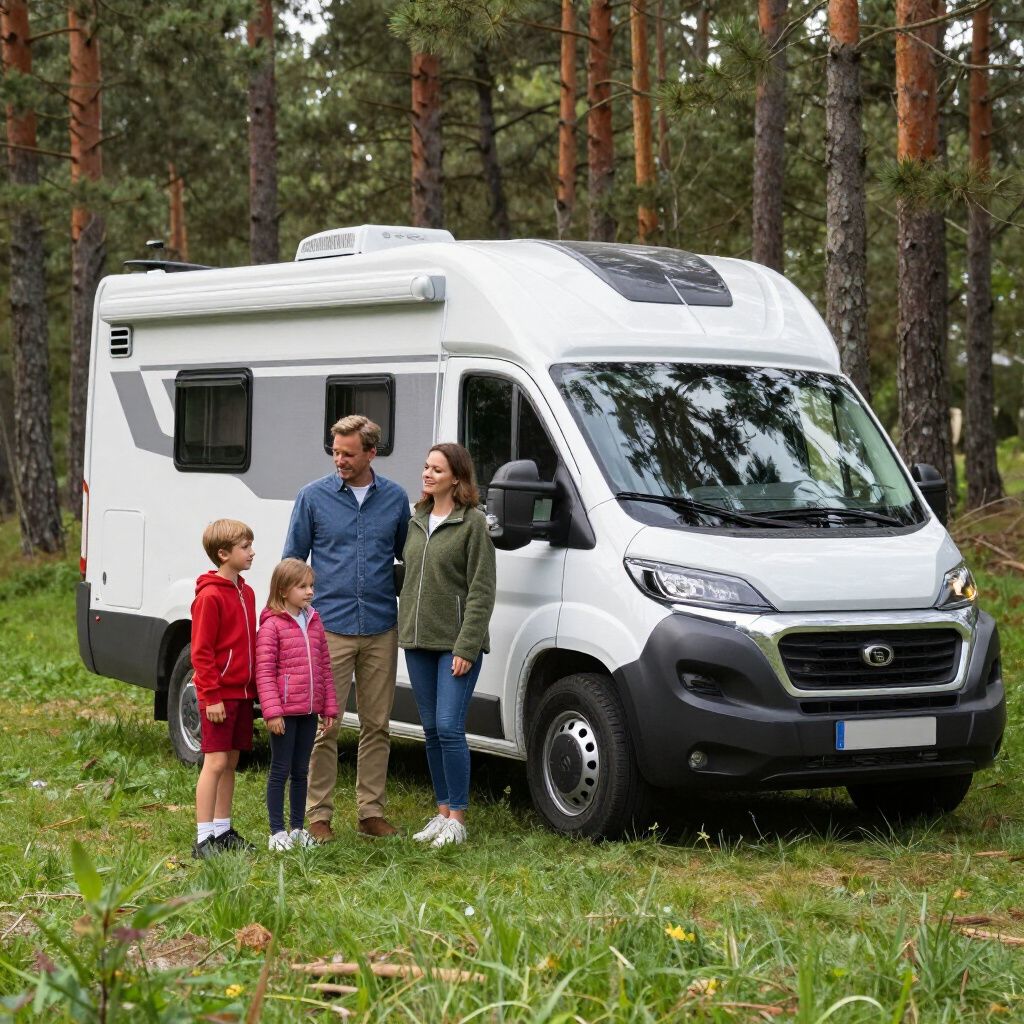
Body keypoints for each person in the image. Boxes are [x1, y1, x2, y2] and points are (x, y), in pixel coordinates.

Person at [283, 415, 410, 840]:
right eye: (335, 452)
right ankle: (318, 815)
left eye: (348, 454)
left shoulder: (395, 499)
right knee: (325, 726)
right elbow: (292, 561)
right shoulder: (312, 497)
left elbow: (407, 556)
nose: (339, 460)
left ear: (371, 453)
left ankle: (370, 812)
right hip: (328, 628)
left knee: (377, 725)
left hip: (380, 626)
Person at [399, 443, 496, 848]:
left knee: (449, 727)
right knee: (431, 731)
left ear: (456, 477)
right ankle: (441, 815)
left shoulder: (473, 523)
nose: (427, 474)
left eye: (437, 470)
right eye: (426, 467)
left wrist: (466, 647)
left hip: (455, 645)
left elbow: (482, 590)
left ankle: (458, 818)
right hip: (417, 641)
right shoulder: (416, 519)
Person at [255, 558, 339, 851]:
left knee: (301, 771)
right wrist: (272, 712)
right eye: (302, 586)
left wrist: (328, 707)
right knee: (280, 769)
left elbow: (324, 667)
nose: (310, 591)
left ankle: (298, 829)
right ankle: (277, 832)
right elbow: (264, 672)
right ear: (283, 590)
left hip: (309, 710)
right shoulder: (271, 626)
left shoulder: (314, 621)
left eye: (311, 585)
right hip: (284, 714)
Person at [191, 518, 258, 859]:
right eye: (245, 547)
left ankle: (223, 830)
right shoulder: (209, 596)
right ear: (223, 554)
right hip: (219, 696)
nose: (252, 552)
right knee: (215, 762)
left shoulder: (247, 592)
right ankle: (203, 839)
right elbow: (201, 653)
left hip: (242, 695)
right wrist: (211, 696)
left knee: (231, 761)